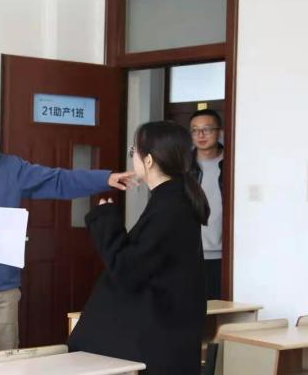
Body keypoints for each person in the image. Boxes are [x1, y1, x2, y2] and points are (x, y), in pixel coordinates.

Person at [0, 97, 134, 353]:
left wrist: (105, 179)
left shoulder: (11, 167)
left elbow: (57, 180)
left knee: (5, 364)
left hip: (6, 290)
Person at [68, 121, 208, 375]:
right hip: (167, 326)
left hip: (157, 333)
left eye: (134, 151)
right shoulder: (174, 199)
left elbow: (127, 270)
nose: (132, 157)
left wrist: (106, 222)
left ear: (149, 160)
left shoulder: (170, 207)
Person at [190, 109, 224, 300]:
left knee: (221, 308)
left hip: (225, 255)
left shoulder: (232, 163)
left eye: (207, 129)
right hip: (189, 253)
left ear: (219, 132)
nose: (200, 135)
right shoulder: (183, 167)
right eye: (195, 130)